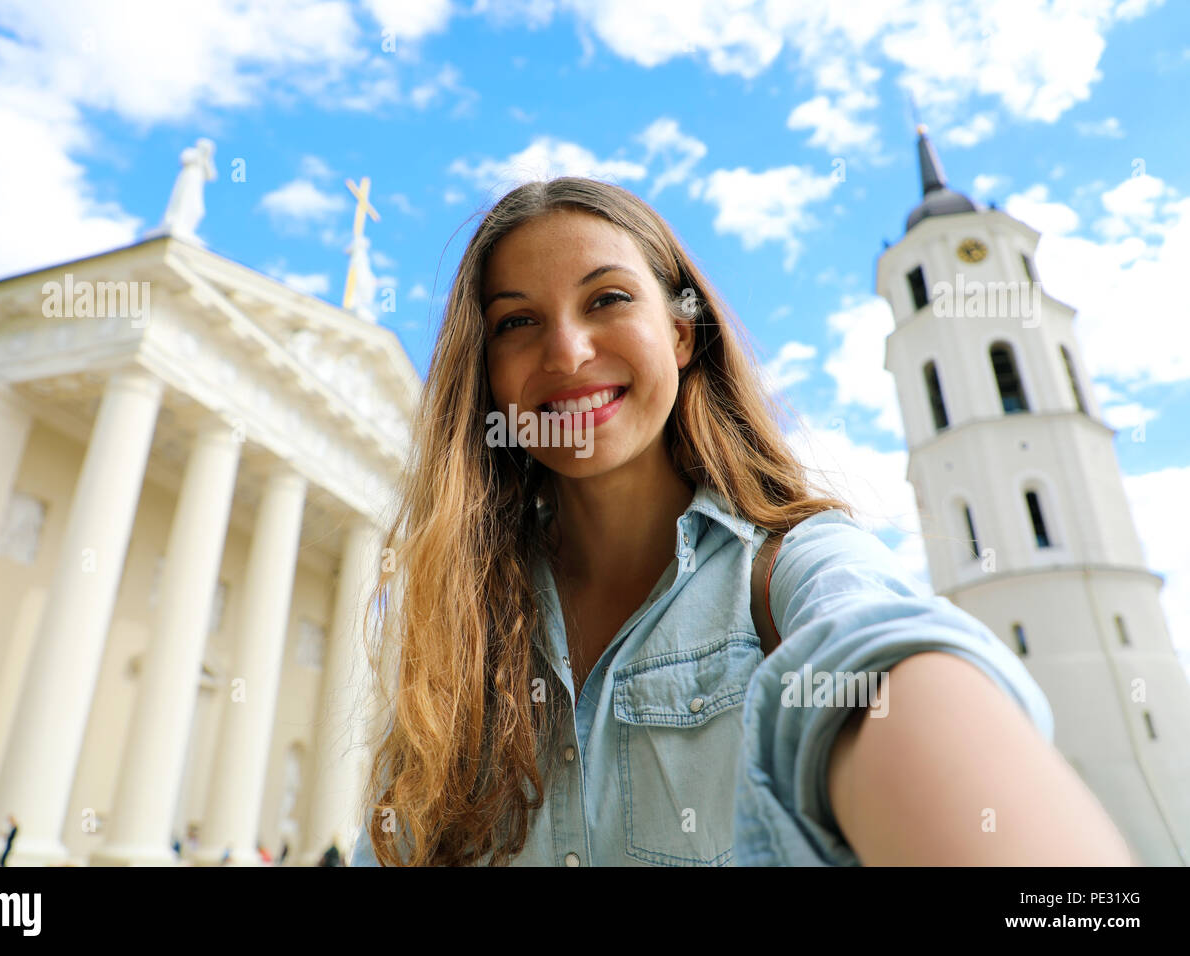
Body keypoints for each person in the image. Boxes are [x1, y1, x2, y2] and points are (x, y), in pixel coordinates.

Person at [350, 176, 1134, 867]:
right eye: (516, 321)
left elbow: (879, 660)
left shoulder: (795, 574)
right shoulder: (455, 626)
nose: (568, 349)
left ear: (682, 332)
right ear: (486, 376)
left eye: (609, 299)